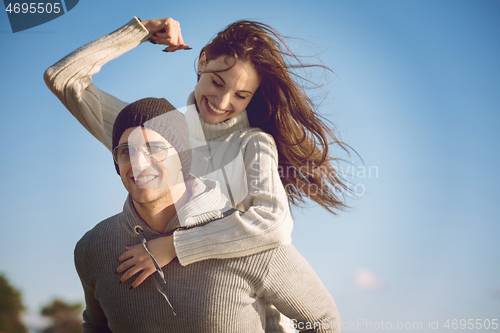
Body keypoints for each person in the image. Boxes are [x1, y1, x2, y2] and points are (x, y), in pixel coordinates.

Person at [45, 16, 350, 331]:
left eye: (241, 95)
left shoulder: (252, 145)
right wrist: (138, 32)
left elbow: (273, 222)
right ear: (202, 60)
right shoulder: (151, 133)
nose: (222, 102)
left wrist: (174, 246)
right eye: (217, 82)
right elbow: (64, 79)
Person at [74, 96, 341, 332]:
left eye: (154, 148)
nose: (138, 163)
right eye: (125, 152)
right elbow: (97, 327)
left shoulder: (246, 237)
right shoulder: (93, 248)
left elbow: (323, 321)